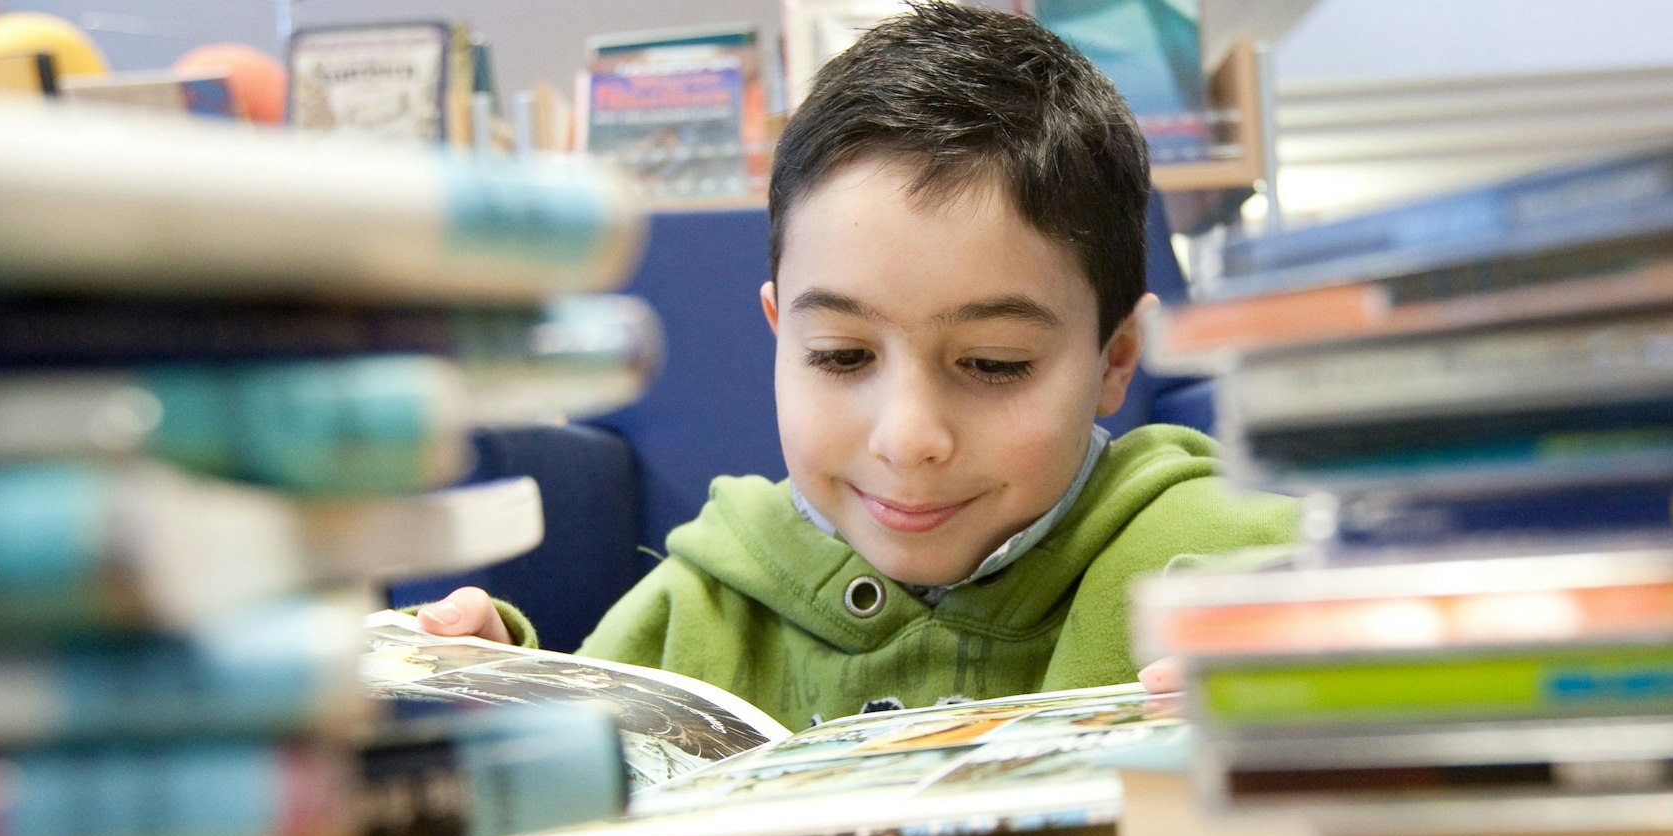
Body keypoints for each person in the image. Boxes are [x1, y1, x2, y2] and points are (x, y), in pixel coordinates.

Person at [416, 1, 1295, 728]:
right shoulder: (700, 608)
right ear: (777, 334)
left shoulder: (1223, 554)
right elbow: (577, 776)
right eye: (840, 356)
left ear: (1117, 359)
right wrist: (501, 688)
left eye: (992, 363)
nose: (908, 438)